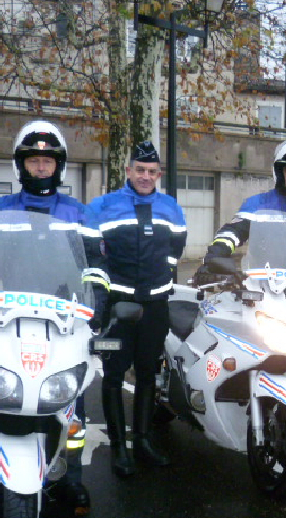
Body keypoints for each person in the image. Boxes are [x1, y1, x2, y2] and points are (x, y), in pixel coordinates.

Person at [0, 120, 109, 515]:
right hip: (6, 310)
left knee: (71, 403)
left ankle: (70, 480)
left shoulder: (79, 213)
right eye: (33, 161)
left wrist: (100, 298)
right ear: (21, 166)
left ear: (59, 166)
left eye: (46, 161)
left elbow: (96, 264)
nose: (40, 168)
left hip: (64, 314)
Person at [88, 140, 187, 478]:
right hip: (119, 305)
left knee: (148, 373)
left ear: (158, 174)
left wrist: (167, 273)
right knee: (114, 374)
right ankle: (119, 447)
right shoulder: (102, 206)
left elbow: (177, 245)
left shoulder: (171, 207)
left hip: (155, 305)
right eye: (140, 170)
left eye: (152, 172)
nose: (146, 177)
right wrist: (100, 300)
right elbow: (92, 253)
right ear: (128, 171)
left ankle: (142, 441)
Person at [196, 139, 286, 279]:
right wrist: (215, 256)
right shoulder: (257, 204)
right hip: (262, 284)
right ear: (280, 172)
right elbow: (233, 232)